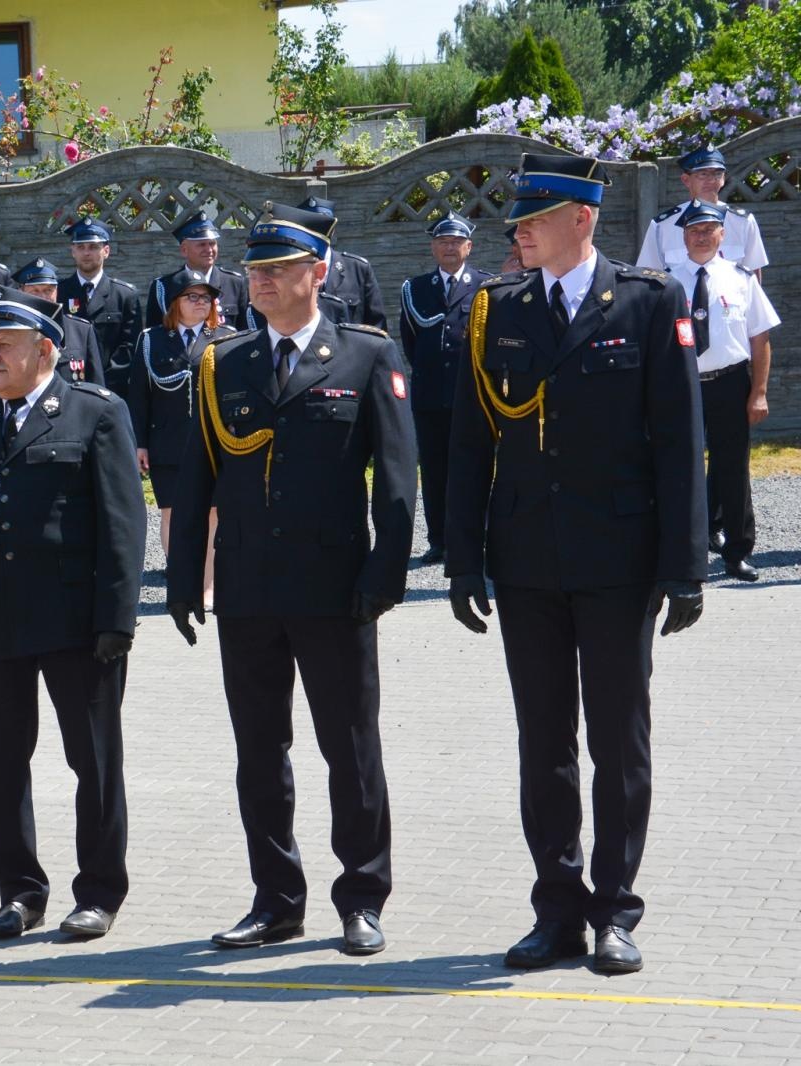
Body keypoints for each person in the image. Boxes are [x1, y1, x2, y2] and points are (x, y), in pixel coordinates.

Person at [446, 153, 707, 976]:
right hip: (526, 560)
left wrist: (686, 564)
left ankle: (614, 911)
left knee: (619, 744)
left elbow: (678, 442)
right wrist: (461, 561)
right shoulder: (497, 309)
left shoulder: (646, 299)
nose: (518, 230)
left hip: (618, 560)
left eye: (533, 218)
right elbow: (468, 446)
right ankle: (555, 908)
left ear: (582, 219)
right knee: (543, 743)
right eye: (517, 221)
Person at [167, 203, 417, 957]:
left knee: (350, 748)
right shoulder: (223, 361)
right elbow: (197, 477)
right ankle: (276, 898)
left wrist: (386, 575)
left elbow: (398, 480)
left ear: (317, 273)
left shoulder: (366, 355)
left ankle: (362, 897)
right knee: (259, 753)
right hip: (247, 589)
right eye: (255, 270)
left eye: (278, 270)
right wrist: (184, 582)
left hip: (335, 588)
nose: (263, 282)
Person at [0, 290, 145, 940]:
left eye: (6, 346)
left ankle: (99, 891)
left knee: (93, 760)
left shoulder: (95, 414)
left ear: (47, 351)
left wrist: (117, 617)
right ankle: (20, 892)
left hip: (74, 622)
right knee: (1, 766)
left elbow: (123, 522)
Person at [666, 200, 780, 582]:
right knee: (681, 468)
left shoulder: (741, 278)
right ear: (683, 237)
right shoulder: (665, 281)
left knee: (733, 470)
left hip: (730, 383)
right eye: (694, 231)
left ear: (722, 235)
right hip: (680, 385)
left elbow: (760, 338)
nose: (701, 236)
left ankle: (737, 552)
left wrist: (759, 392)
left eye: (708, 230)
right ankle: (686, 553)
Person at [126, 268, 233, 589]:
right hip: (167, 443)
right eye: (193, 297)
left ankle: (209, 586)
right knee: (173, 515)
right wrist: (139, 443)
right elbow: (138, 396)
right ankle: (183, 585)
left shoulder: (227, 338)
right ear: (175, 303)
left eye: (207, 297)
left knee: (213, 514)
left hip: (214, 443)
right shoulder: (151, 340)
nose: (202, 302)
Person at [399, 211, 481, 566]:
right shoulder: (415, 289)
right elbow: (411, 343)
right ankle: (439, 541)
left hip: (473, 394)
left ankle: (477, 538)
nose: (449, 247)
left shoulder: (485, 285)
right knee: (434, 470)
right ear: (433, 247)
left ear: (469, 246)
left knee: (475, 467)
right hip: (431, 394)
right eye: (442, 241)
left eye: (456, 241)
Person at [637, 146, 767, 277]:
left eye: (717, 174)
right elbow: (649, 276)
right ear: (686, 180)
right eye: (703, 174)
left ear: (723, 179)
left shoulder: (743, 222)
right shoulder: (662, 226)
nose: (711, 180)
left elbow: (753, 276)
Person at [56, 218, 142, 397]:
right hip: (67, 389)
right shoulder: (58, 293)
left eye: (93, 247)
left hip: (112, 390)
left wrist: (101, 383)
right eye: (81, 247)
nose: (86, 253)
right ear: (73, 251)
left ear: (106, 251)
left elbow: (129, 347)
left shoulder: (124, 295)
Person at [145, 212, 249, 329]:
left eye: (212, 244)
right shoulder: (163, 287)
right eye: (202, 245)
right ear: (184, 250)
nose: (209, 250)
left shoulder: (235, 283)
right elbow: (154, 336)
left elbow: (245, 332)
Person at [298, 197, 388, 331]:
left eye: (324, 225)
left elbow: (376, 327)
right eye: (310, 226)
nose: (317, 231)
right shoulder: (288, 270)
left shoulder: (358, 269)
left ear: (333, 229)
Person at [11, 260, 105, 386]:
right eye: (35, 291)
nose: (43, 297)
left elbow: (96, 385)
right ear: (21, 292)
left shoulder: (81, 330)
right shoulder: (10, 331)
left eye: (48, 290)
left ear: (57, 291)